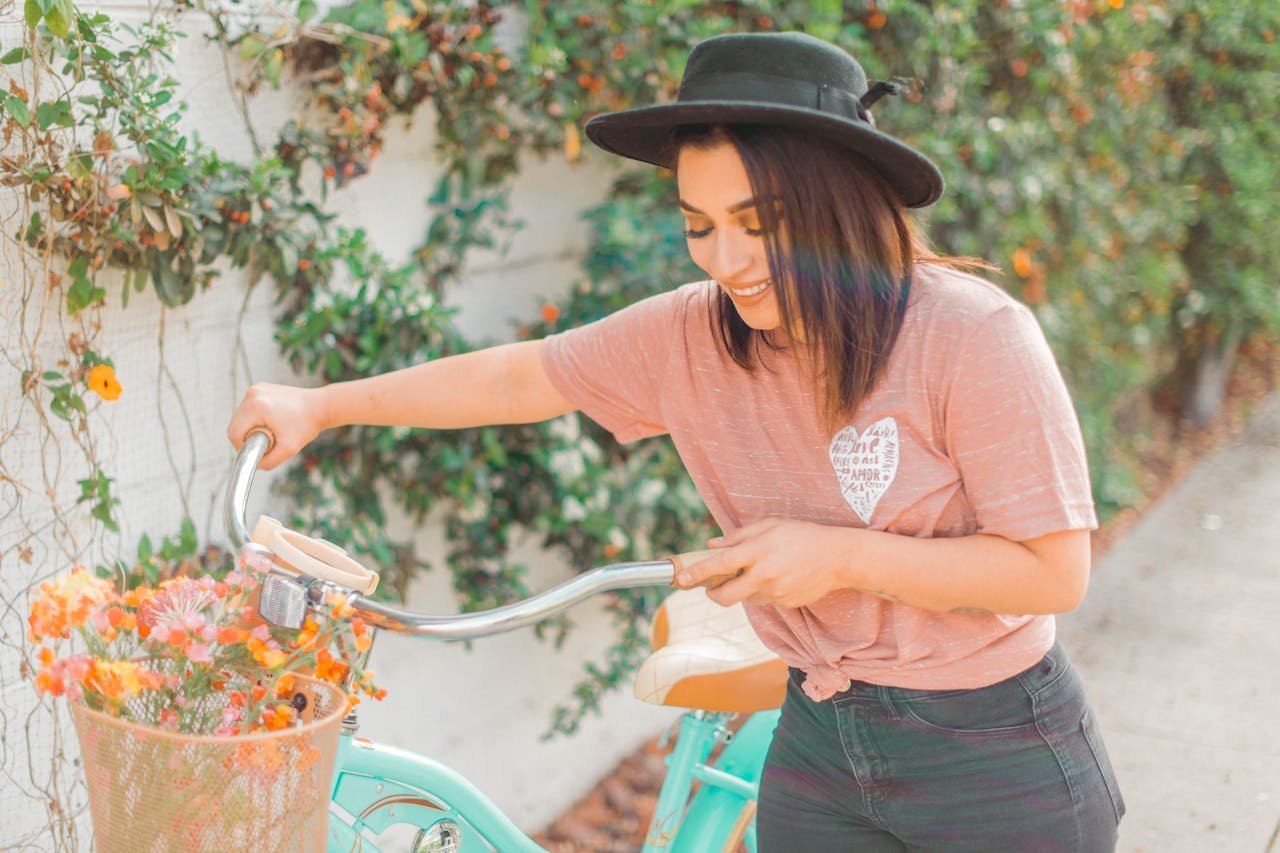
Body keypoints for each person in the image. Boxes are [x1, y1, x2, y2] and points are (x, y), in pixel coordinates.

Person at [229, 31, 1125, 852]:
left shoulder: (970, 335)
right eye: (700, 226)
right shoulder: (693, 336)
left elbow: (1052, 571)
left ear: (839, 205)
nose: (724, 260)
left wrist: (839, 558)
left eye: (759, 224)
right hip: (819, 737)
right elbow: (522, 377)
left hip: (992, 751)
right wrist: (321, 406)